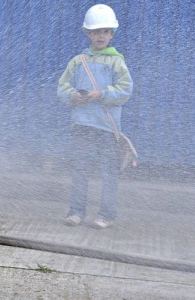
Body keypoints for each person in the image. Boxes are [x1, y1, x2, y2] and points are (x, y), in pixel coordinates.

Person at [57, 4, 133, 229]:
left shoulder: (116, 61)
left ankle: (106, 215)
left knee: (109, 173)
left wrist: (103, 93)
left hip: (107, 129)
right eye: (96, 31)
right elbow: (62, 88)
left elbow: (126, 90)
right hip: (81, 126)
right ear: (88, 34)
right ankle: (76, 212)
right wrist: (73, 96)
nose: (100, 36)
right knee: (80, 170)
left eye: (105, 31)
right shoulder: (78, 61)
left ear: (112, 34)